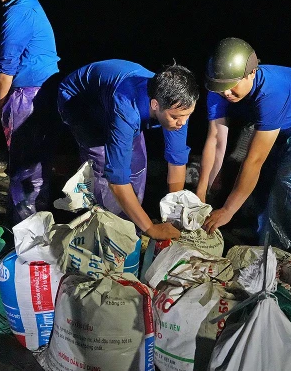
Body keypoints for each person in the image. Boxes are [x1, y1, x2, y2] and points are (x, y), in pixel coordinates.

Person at [197, 38, 291, 255]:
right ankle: (260, 231)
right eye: (220, 89)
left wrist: (227, 210)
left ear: (251, 72)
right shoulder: (219, 86)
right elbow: (215, 139)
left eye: (231, 87)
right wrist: (201, 193)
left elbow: (254, 161)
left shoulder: (272, 93)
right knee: (261, 176)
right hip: (286, 125)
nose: (226, 94)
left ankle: (282, 251)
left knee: (290, 179)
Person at [58, 59, 199, 245]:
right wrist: (151, 228)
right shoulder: (126, 110)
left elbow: (177, 160)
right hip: (81, 103)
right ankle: (108, 236)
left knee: (137, 163)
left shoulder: (178, 106)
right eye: (176, 118)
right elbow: (117, 181)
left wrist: (175, 213)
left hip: (117, 100)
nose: (182, 123)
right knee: (104, 170)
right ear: (155, 104)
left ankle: (132, 226)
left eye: (187, 116)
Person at [0, 0, 61, 226]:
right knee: (36, 167)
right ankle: (34, 230)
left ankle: (23, 236)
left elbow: (5, 69)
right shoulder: (30, 7)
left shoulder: (19, 12)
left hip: (30, 95)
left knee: (24, 170)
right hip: (45, 93)